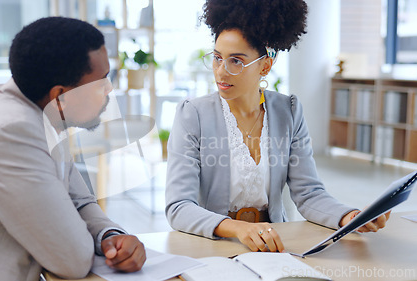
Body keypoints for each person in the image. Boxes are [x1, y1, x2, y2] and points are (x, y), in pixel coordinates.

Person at [0, 17, 145, 281]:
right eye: (102, 82)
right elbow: (73, 259)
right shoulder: (11, 132)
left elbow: (79, 201)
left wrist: (111, 237)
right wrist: (85, 237)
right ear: (60, 96)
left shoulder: (37, 111)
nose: (109, 90)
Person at [165, 0, 390, 253]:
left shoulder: (289, 112)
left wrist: (349, 217)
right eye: (217, 58)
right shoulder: (192, 115)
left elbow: (309, 193)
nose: (221, 72)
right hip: (214, 244)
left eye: (236, 61)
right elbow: (178, 206)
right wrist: (238, 228)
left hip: (274, 244)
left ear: (265, 65)